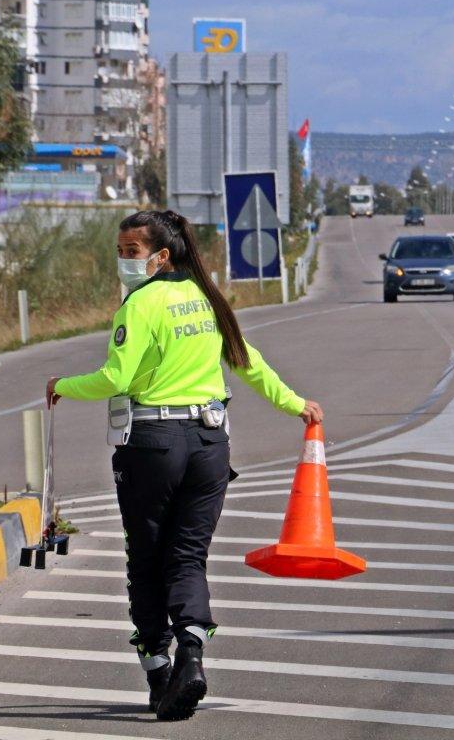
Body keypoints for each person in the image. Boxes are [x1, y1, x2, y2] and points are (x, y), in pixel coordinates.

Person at [47, 209, 322, 721]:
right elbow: (248, 362)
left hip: (153, 444)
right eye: (120, 251)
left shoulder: (140, 304)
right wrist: (294, 403)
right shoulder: (206, 298)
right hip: (210, 444)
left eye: (130, 251)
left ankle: (157, 671)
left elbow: (116, 376)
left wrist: (62, 386)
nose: (122, 260)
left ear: (161, 255)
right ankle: (191, 656)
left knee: (147, 558)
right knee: (188, 557)